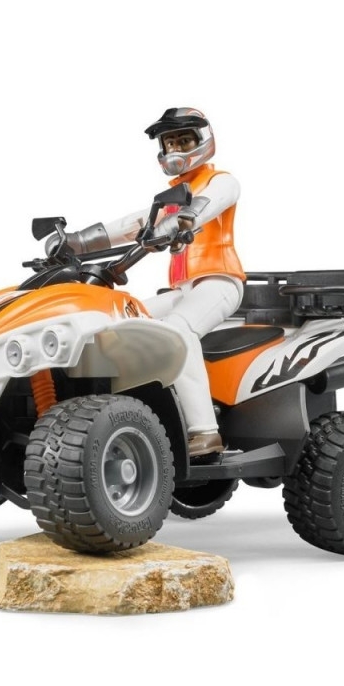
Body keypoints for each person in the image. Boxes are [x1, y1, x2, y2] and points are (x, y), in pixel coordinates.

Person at [53, 108, 245, 457]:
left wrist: (184, 219)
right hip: (182, 291)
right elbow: (130, 225)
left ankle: (205, 431)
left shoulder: (221, 181)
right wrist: (74, 242)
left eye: (183, 140)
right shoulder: (170, 198)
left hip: (219, 283)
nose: (175, 149)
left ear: (203, 141)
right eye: (170, 143)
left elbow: (209, 204)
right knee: (120, 319)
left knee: (177, 332)